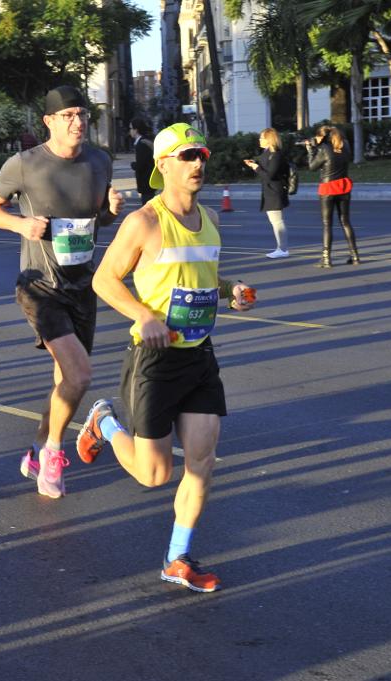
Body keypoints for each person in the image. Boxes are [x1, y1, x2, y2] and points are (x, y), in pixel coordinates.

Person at [76, 123, 255, 593]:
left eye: (202, 154)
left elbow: (202, 279)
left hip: (198, 355)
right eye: (187, 155)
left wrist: (230, 290)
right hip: (153, 359)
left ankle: (177, 558)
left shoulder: (210, 217)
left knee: (203, 462)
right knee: (154, 475)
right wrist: (142, 315)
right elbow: (104, 281)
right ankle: (104, 423)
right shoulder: (145, 223)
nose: (198, 163)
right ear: (163, 165)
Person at [0, 84, 124, 499]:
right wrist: (20, 225)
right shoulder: (25, 164)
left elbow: (97, 224)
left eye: (82, 115)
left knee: (67, 384)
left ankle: (40, 448)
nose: (78, 123)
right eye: (68, 116)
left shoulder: (100, 161)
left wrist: (111, 212)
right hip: (40, 286)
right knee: (80, 375)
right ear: (49, 122)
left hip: (82, 284)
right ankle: (55, 454)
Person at [306, 125, 360, 267]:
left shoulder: (324, 148)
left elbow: (312, 167)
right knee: (346, 222)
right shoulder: (345, 145)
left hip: (328, 188)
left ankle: (326, 258)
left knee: (327, 224)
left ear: (322, 137)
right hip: (343, 186)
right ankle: (355, 256)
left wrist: (311, 150)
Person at [243, 127, 291, 258]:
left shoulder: (276, 155)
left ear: (269, 140)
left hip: (275, 191)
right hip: (270, 191)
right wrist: (255, 163)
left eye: (262, 138)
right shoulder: (267, 152)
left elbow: (270, 175)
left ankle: (283, 249)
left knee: (277, 222)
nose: (259, 140)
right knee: (275, 221)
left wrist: (256, 167)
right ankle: (281, 248)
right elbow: (266, 167)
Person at [129, 117, 155, 206]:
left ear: (136, 130)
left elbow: (141, 165)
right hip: (149, 183)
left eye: (131, 128)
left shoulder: (142, 144)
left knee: (147, 208)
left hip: (146, 183)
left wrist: (133, 165)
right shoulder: (145, 141)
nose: (130, 131)